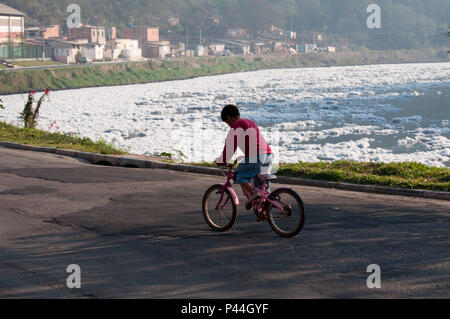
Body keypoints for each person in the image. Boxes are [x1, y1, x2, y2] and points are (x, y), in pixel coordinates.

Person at [215, 104, 273, 210]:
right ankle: (265, 210)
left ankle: (253, 193)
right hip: (268, 154)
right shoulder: (249, 122)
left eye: (227, 122)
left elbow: (230, 148)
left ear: (228, 117)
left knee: (239, 175)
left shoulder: (236, 125)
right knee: (262, 190)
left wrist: (221, 160)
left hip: (256, 156)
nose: (228, 125)